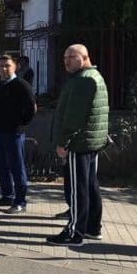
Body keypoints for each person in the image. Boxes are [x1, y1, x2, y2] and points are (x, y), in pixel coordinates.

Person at [47, 44, 109, 246]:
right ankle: (92, 227)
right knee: (90, 185)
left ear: (84, 57)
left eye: (72, 57)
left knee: (77, 189)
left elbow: (74, 117)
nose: (66, 61)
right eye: (65, 58)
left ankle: (74, 233)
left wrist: (63, 142)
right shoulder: (94, 76)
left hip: (78, 143)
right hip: (90, 142)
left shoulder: (83, 80)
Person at [0, 55, 37, 214]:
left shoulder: (21, 85)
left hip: (14, 133)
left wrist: (20, 123)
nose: (4, 69)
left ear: (14, 67)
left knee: (17, 167)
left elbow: (32, 108)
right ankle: (7, 195)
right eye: (1, 66)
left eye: (7, 66)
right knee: (2, 165)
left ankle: (20, 201)